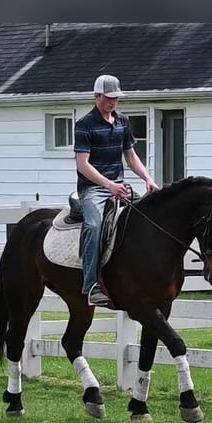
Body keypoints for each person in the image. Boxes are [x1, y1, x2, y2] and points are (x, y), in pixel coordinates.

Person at [74, 74, 160, 306]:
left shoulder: (123, 121)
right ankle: (90, 285)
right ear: (97, 96)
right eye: (109, 97)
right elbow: (83, 164)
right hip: (94, 189)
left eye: (116, 98)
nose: (113, 102)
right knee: (93, 226)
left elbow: (130, 156)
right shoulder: (84, 125)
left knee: (149, 218)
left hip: (120, 187)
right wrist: (109, 185)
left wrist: (148, 178)